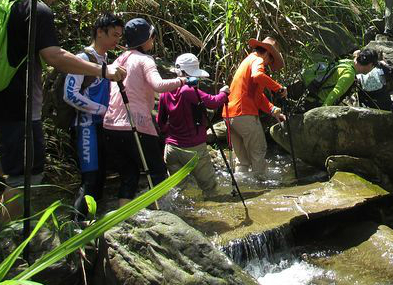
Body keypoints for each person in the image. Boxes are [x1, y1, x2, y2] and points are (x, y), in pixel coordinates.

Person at [0, 0, 127, 225]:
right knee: (28, 172)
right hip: (18, 103)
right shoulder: (37, 9)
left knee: (11, 152)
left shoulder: (2, 0)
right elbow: (55, 57)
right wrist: (102, 71)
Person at [103, 18, 184, 207]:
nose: (153, 41)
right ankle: (162, 218)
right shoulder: (144, 59)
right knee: (156, 172)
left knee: (129, 176)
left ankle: (126, 222)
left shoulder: (118, 59)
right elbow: (158, 85)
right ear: (144, 39)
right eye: (152, 37)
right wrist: (183, 81)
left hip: (110, 126)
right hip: (135, 125)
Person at [62, 13, 124, 220]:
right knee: (89, 178)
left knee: (100, 178)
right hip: (85, 126)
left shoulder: (105, 59)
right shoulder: (83, 59)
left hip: (102, 126)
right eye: (114, 35)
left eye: (119, 36)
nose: (117, 40)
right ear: (99, 31)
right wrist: (100, 109)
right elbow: (69, 94)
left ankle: (91, 226)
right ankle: (75, 226)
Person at [157, 53, 229, 200]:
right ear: (188, 73)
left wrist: (169, 134)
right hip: (193, 148)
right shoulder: (189, 90)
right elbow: (213, 102)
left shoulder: (165, 91)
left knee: (179, 190)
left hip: (171, 149)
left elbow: (160, 120)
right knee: (210, 188)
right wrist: (224, 93)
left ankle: (184, 217)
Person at [224, 37, 286, 180]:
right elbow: (258, 75)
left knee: (243, 161)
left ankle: (245, 188)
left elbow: (256, 96)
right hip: (244, 114)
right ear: (267, 54)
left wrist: (273, 110)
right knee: (259, 150)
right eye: (270, 61)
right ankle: (261, 184)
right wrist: (279, 88)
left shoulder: (247, 61)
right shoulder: (258, 60)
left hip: (229, 115)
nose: (269, 64)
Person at [297, 49, 379, 109]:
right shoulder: (349, 74)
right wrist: (322, 110)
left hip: (309, 96)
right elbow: (335, 93)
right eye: (373, 66)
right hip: (317, 103)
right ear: (370, 65)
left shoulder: (347, 62)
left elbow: (356, 54)